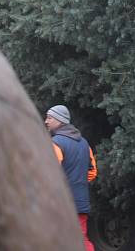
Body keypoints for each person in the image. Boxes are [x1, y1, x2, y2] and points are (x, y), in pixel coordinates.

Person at [45, 104, 98, 251]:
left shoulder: (55, 144)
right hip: (80, 202)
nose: (46, 121)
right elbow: (93, 172)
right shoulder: (84, 143)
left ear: (60, 120)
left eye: (49, 118)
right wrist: (77, 182)